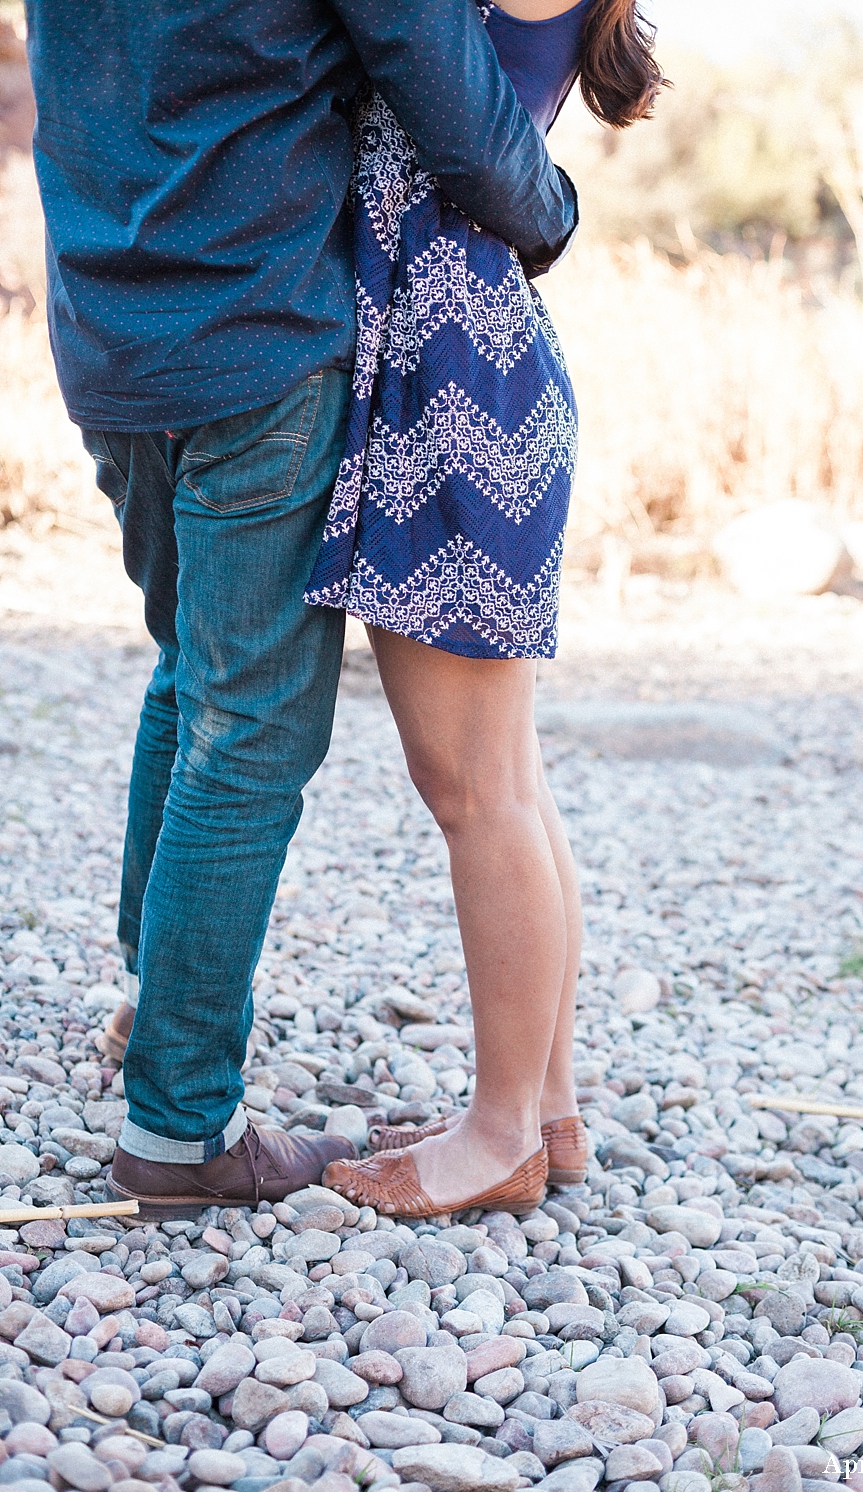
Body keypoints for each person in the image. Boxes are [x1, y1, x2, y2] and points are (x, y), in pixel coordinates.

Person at [24, 0, 578, 1218]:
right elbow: (468, 122)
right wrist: (555, 216)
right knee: (254, 725)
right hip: (259, 338)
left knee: (196, 672)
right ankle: (179, 1125)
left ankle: (155, 1001)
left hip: (106, 339)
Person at [315, 0, 664, 1216]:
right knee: (504, 779)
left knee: (472, 789)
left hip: (451, 373)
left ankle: (501, 1130)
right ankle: (546, 1108)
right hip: (461, 356)